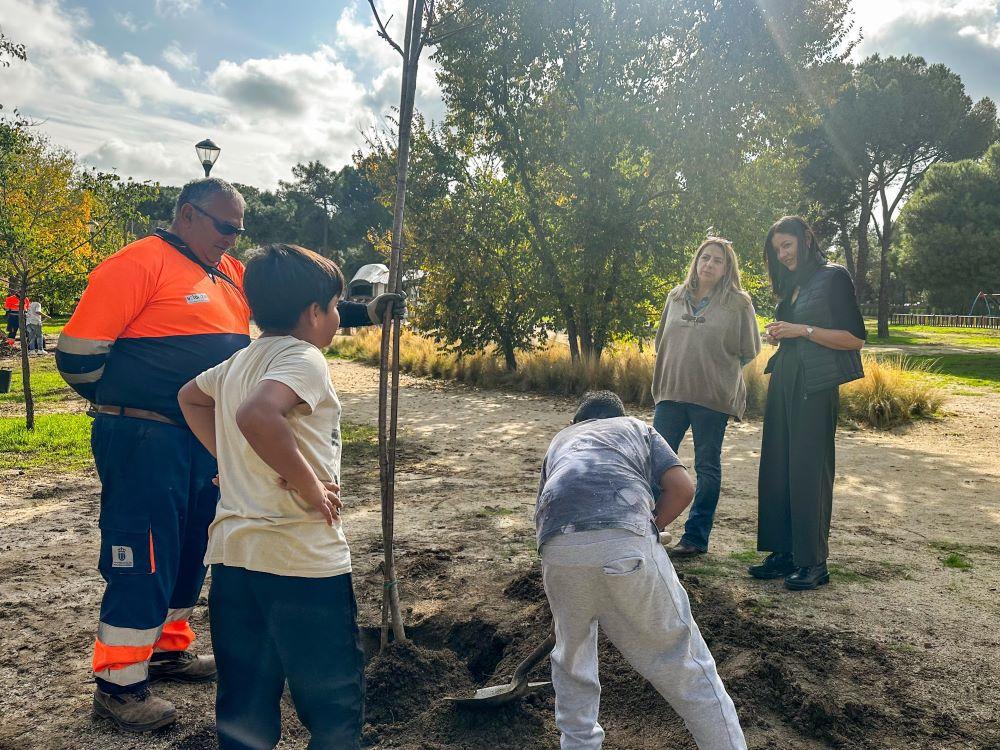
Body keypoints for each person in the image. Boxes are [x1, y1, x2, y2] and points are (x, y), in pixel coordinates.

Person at [55, 177, 402, 732]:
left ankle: (168, 649)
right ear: (187, 215)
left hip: (196, 432)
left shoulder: (228, 274)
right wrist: (126, 406)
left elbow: (300, 310)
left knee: (191, 545)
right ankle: (119, 686)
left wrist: (371, 311)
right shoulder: (138, 263)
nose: (233, 238)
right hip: (145, 436)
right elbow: (77, 358)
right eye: (225, 226)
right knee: (144, 550)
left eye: (240, 230)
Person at [179, 244, 364, 750]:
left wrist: (230, 460)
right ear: (313, 312)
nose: (336, 320)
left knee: (244, 705)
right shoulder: (304, 358)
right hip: (301, 561)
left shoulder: (239, 361)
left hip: (235, 564)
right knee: (334, 708)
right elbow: (259, 415)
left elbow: (189, 397)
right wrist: (307, 484)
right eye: (335, 307)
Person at [536, 391, 748, 750]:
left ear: (576, 423)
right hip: (626, 545)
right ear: (617, 415)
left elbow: (552, 507)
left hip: (558, 552)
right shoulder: (636, 427)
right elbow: (682, 488)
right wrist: (654, 525)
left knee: (573, 664)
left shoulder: (561, 441)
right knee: (686, 666)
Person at [748, 216, 866, 591]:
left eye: (787, 245)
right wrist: (783, 331)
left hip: (816, 385)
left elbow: (854, 339)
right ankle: (784, 553)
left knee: (809, 470)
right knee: (778, 465)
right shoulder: (791, 285)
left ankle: (813, 562)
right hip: (785, 378)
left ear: (807, 238)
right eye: (776, 249)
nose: (782, 255)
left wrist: (802, 330)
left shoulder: (834, 277)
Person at [652, 237, 761, 557]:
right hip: (671, 393)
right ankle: (647, 526)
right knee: (653, 464)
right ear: (696, 262)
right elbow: (662, 342)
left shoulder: (738, 303)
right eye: (705, 258)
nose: (709, 264)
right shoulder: (675, 296)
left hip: (711, 399)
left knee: (707, 467)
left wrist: (714, 369)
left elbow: (748, 350)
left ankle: (695, 538)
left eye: (717, 260)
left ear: (727, 268)